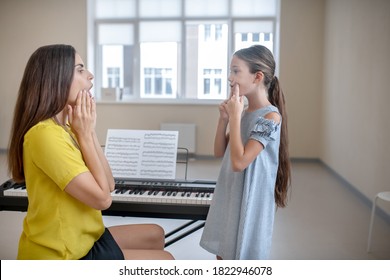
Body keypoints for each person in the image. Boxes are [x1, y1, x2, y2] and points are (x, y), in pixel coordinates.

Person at [8, 44, 174, 260]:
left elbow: (109, 184)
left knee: (156, 234)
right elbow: (103, 200)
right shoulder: (44, 135)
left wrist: (88, 131)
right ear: (56, 78)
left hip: (87, 237)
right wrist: (85, 135)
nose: (90, 75)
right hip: (63, 252)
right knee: (166, 260)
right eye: (80, 69)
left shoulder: (67, 128)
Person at [199, 45, 291, 260]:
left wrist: (235, 117)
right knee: (224, 254)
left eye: (236, 71)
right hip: (232, 192)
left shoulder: (271, 118)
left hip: (252, 198)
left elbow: (240, 162)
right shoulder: (243, 111)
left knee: (243, 256)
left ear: (257, 77)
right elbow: (219, 152)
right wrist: (224, 119)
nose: (230, 77)